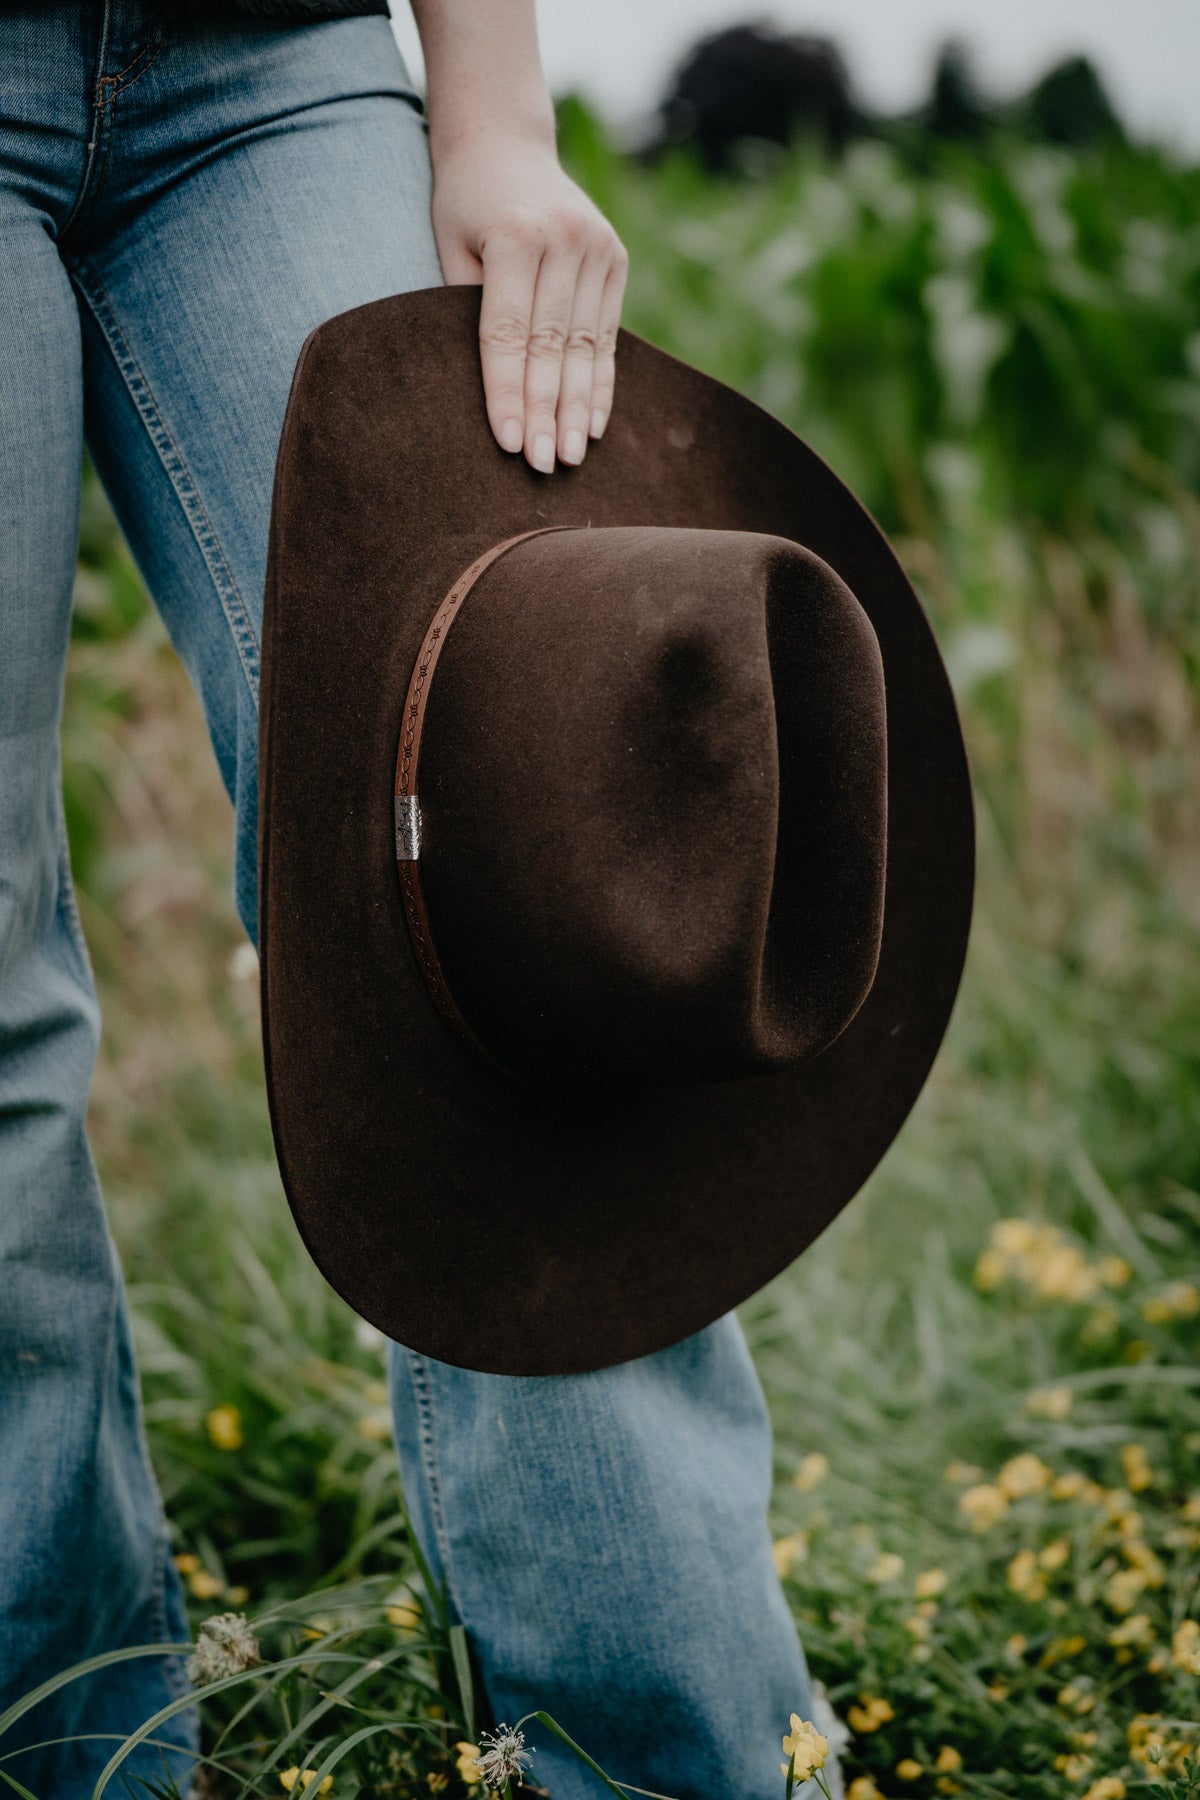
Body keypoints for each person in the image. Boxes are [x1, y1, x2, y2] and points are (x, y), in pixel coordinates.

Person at [0, 2, 837, 1795]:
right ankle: (72, 1761)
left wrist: (496, 113)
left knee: (517, 869)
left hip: (266, 60)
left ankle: (675, 1767)